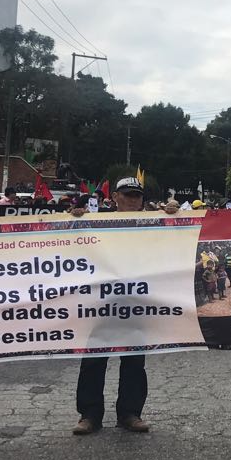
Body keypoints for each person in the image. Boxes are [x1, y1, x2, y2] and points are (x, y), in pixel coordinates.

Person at [71, 177, 154, 436]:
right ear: (115, 197)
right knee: (94, 359)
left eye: (138, 196)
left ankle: (130, 413)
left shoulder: (153, 225)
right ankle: (89, 415)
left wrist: (171, 213)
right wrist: (75, 219)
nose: (133, 200)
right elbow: (68, 243)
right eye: (128, 195)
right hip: (100, 302)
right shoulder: (95, 222)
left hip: (136, 301)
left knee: (134, 360)